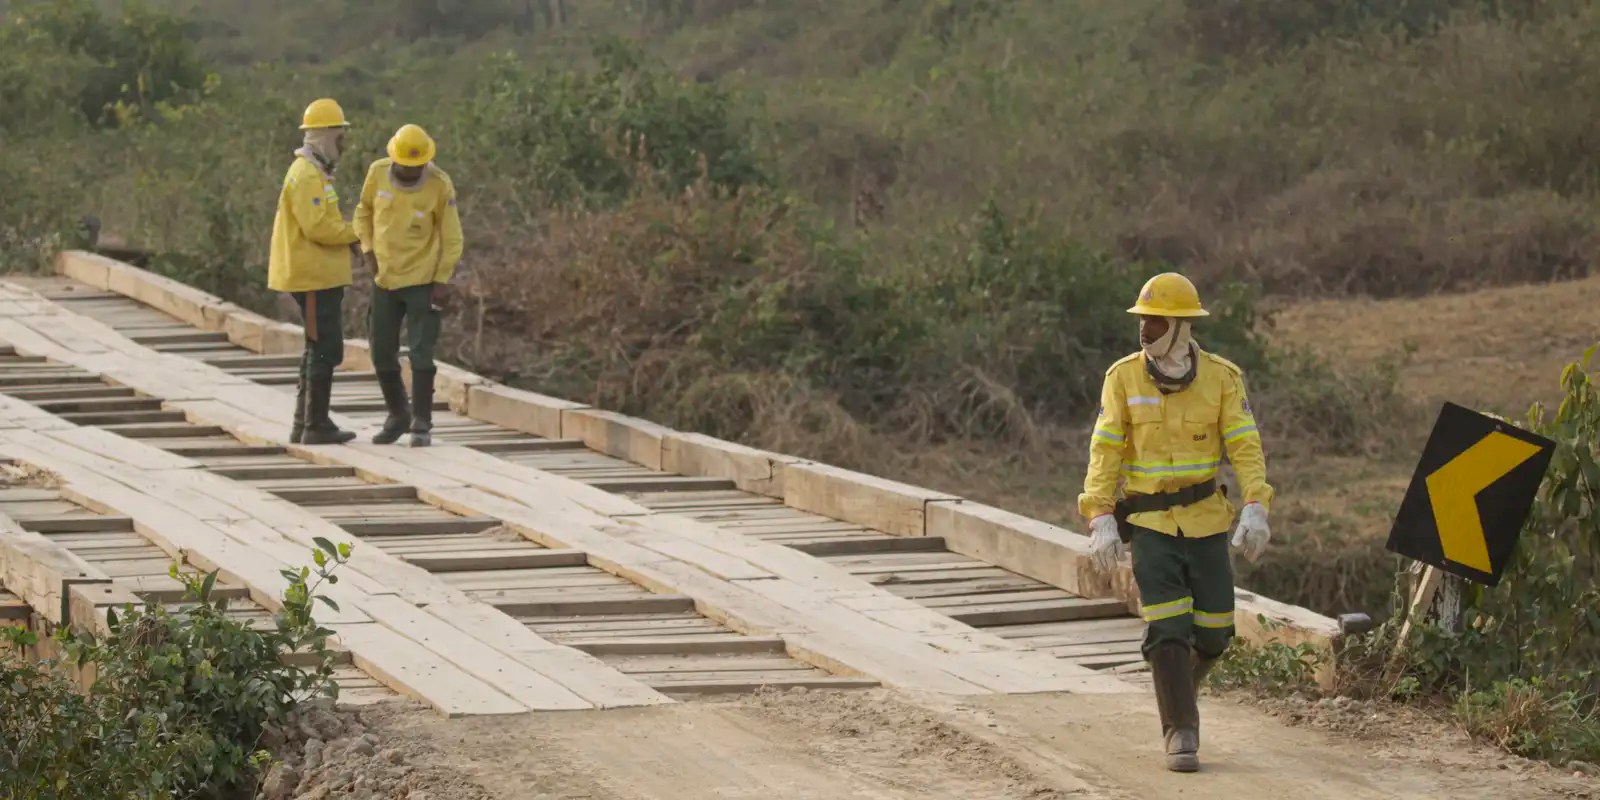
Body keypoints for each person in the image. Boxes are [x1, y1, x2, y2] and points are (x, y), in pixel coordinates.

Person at [1077, 272, 1273, 773]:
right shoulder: (1122, 377)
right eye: (1142, 319)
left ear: (1182, 327)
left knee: (1213, 632)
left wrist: (1256, 503)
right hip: (1150, 524)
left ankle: (1178, 686)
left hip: (1206, 520)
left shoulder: (1223, 378)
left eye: (1155, 320)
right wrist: (1098, 513)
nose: (1144, 329)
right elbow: (1105, 449)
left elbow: (1245, 445)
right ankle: (1180, 731)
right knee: (1166, 626)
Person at [354, 123, 463, 447]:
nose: (411, 172)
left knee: (421, 353)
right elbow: (363, 214)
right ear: (394, 159)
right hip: (385, 279)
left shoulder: (440, 185)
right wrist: (368, 249)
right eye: (405, 166)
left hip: (422, 281)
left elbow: (453, 237)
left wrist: (442, 279)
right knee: (380, 351)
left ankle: (421, 422)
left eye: (417, 168)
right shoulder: (377, 173)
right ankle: (398, 413)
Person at [268, 98, 361, 445]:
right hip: (310, 278)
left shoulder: (316, 172)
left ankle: (305, 423)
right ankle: (314, 424)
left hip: (320, 276)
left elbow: (326, 222)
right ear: (324, 135)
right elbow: (318, 228)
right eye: (340, 135)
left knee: (318, 346)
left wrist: (349, 237)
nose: (344, 143)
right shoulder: (306, 175)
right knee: (324, 348)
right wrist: (358, 234)